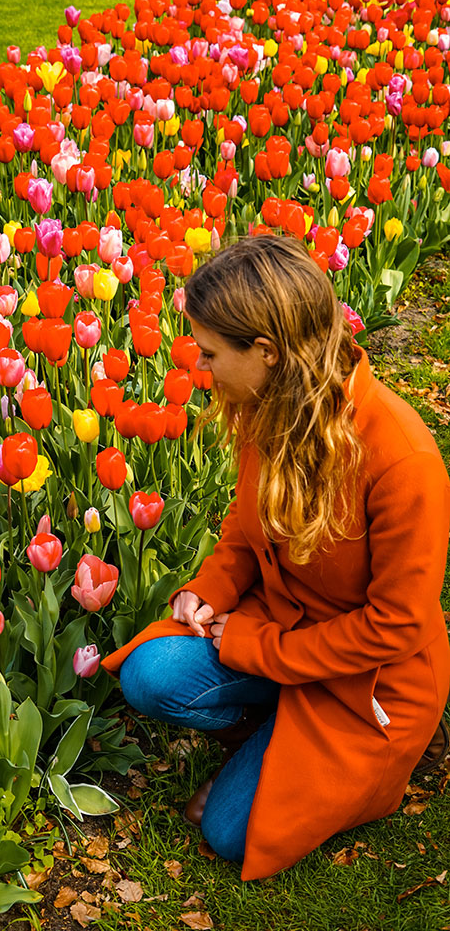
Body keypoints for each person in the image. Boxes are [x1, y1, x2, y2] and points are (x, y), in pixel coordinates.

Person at [101, 234, 450, 881]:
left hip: (369, 683)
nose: (200, 369)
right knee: (149, 675)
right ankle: (275, 728)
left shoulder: (403, 461)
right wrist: (212, 587)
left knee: (228, 833)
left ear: (264, 352)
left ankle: (340, 760)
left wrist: (254, 648)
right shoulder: (268, 407)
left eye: (209, 354)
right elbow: (243, 530)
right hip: (282, 627)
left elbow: (394, 627)